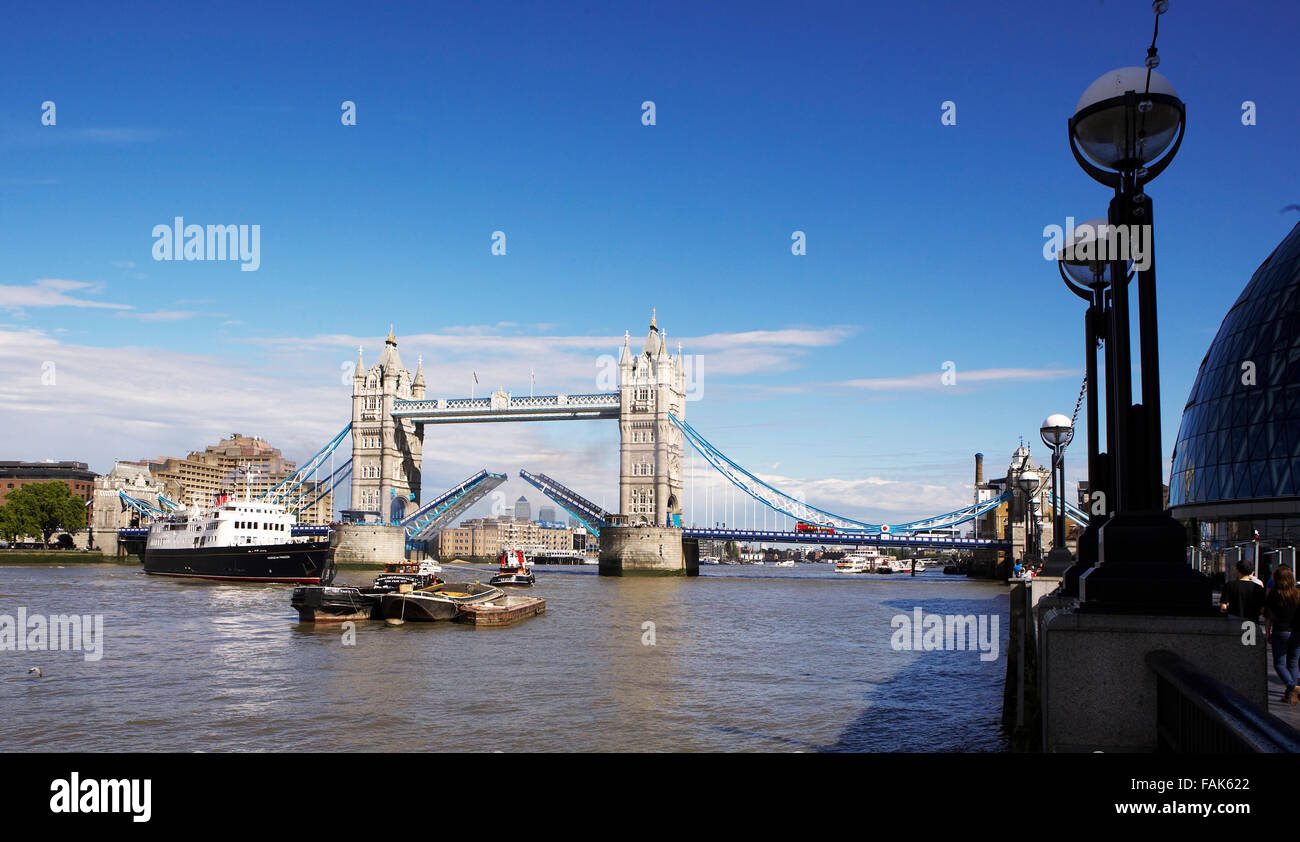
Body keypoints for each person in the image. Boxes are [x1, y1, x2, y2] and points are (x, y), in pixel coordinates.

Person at [1264, 566, 1300, 705]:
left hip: (1281, 631)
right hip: (1297, 632)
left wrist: (1267, 632)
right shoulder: (1298, 593)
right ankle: (1290, 695)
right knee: (1293, 663)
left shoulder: (1274, 594)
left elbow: (1268, 617)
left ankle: (1292, 686)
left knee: (1279, 664)